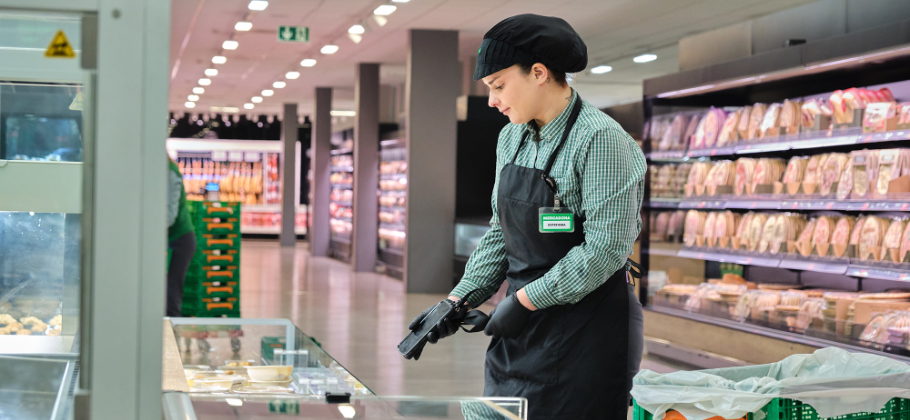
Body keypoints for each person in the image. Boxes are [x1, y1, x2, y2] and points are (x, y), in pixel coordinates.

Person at [407, 14, 646, 420]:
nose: (492, 101)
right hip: (520, 329)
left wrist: (524, 300)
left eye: (499, 86)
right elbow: (501, 232)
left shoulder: (602, 141)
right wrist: (457, 298)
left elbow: (604, 251)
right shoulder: (511, 137)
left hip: (586, 334)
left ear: (539, 73)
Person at [167, 156, 196, 317]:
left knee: (171, 295)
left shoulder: (170, 173)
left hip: (180, 241)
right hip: (169, 239)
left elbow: (169, 215)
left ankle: (172, 336)